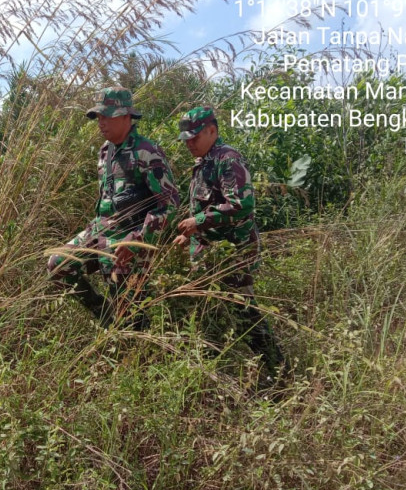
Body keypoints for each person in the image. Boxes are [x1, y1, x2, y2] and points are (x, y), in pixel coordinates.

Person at [47, 87, 179, 329]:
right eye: (99, 117)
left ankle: (139, 342)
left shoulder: (147, 152)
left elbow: (169, 205)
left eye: (107, 116)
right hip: (101, 230)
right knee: (59, 264)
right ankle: (105, 317)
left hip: (131, 237)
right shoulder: (105, 152)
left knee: (129, 308)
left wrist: (138, 238)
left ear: (126, 116)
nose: (101, 123)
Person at [173, 106, 286, 387]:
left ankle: (279, 372)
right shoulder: (203, 162)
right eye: (185, 138)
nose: (189, 143)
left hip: (233, 253)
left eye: (194, 137)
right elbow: (207, 204)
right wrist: (190, 233)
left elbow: (240, 204)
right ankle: (215, 374)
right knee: (209, 313)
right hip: (209, 253)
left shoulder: (227, 159)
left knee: (244, 313)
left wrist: (198, 221)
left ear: (212, 130)